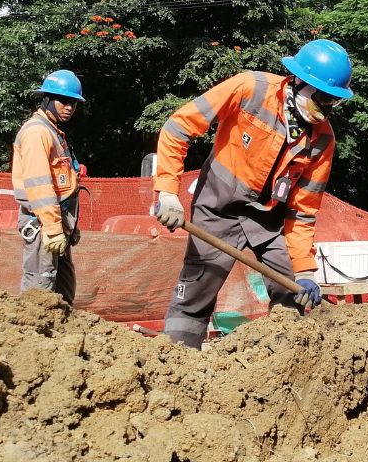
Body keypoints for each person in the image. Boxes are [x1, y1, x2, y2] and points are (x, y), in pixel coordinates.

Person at [151, 39, 354, 349]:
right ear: (300, 82)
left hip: (268, 222)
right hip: (216, 209)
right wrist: (167, 191)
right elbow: (178, 128)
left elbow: (302, 211)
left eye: (334, 102)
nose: (327, 109)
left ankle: (282, 361)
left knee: (292, 291)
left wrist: (305, 270)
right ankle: (176, 359)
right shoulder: (251, 88)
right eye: (324, 98)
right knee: (195, 292)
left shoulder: (323, 141)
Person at [11, 70, 85, 305]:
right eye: (64, 101)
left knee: (63, 293)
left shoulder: (53, 132)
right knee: (39, 293)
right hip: (43, 224)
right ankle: (28, 329)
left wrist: (68, 227)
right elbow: (40, 188)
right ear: (47, 99)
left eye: (74, 103)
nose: (69, 107)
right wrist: (52, 228)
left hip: (58, 225)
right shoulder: (37, 133)